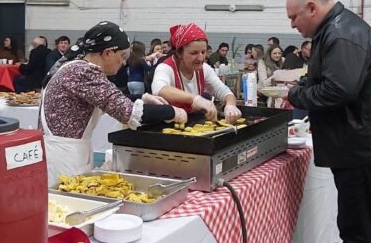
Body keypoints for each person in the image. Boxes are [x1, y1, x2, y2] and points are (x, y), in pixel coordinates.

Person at [285, 0, 371, 242]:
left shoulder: (341, 34)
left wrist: (295, 95)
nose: (292, 25)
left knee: (357, 230)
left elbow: (337, 91)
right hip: (361, 144)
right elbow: (329, 77)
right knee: (356, 223)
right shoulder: (334, 29)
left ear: (312, 8)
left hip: (365, 149)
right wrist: (306, 85)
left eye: (293, 17)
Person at [41, 21, 187, 182]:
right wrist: (174, 112)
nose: (124, 62)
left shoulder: (77, 67)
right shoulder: (83, 71)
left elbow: (110, 98)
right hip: (63, 157)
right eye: (122, 56)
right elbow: (127, 112)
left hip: (66, 152)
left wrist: (142, 97)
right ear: (107, 53)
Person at [151, 23, 241, 123]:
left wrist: (230, 105)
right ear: (179, 53)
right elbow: (159, 89)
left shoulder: (204, 69)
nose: (201, 58)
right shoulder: (165, 68)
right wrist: (195, 99)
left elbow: (224, 91)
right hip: (165, 127)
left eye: (203, 52)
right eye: (194, 53)